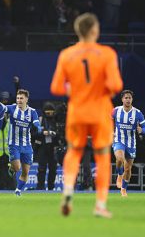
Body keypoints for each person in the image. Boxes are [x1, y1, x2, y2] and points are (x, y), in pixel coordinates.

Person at [50, 12, 123, 218]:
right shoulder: (107, 54)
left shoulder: (66, 55)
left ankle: (68, 192)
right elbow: (116, 85)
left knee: (73, 152)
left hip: (77, 112)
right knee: (102, 157)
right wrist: (103, 89)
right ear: (94, 30)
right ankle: (100, 204)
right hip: (100, 112)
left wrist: (74, 90)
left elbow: (56, 87)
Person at [113, 90, 145, 197]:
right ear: (122, 99)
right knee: (119, 159)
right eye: (126, 98)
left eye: (129, 98)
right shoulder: (116, 111)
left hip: (131, 143)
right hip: (119, 140)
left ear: (132, 99)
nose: (128, 100)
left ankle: (123, 189)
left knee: (128, 169)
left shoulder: (137, 113)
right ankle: (119, 175)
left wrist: (142, 130)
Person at [7, 89, 42, 196]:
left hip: (27, 145)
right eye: (17, 98)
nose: (19, 100)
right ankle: (11, 168)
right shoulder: (11, 108)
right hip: (14, 144)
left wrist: (38, 126)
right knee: (17, 167)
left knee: (26, 171)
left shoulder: (32, 112)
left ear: (26, 99)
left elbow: (36, 121)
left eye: (21, 98)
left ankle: (18, 190)